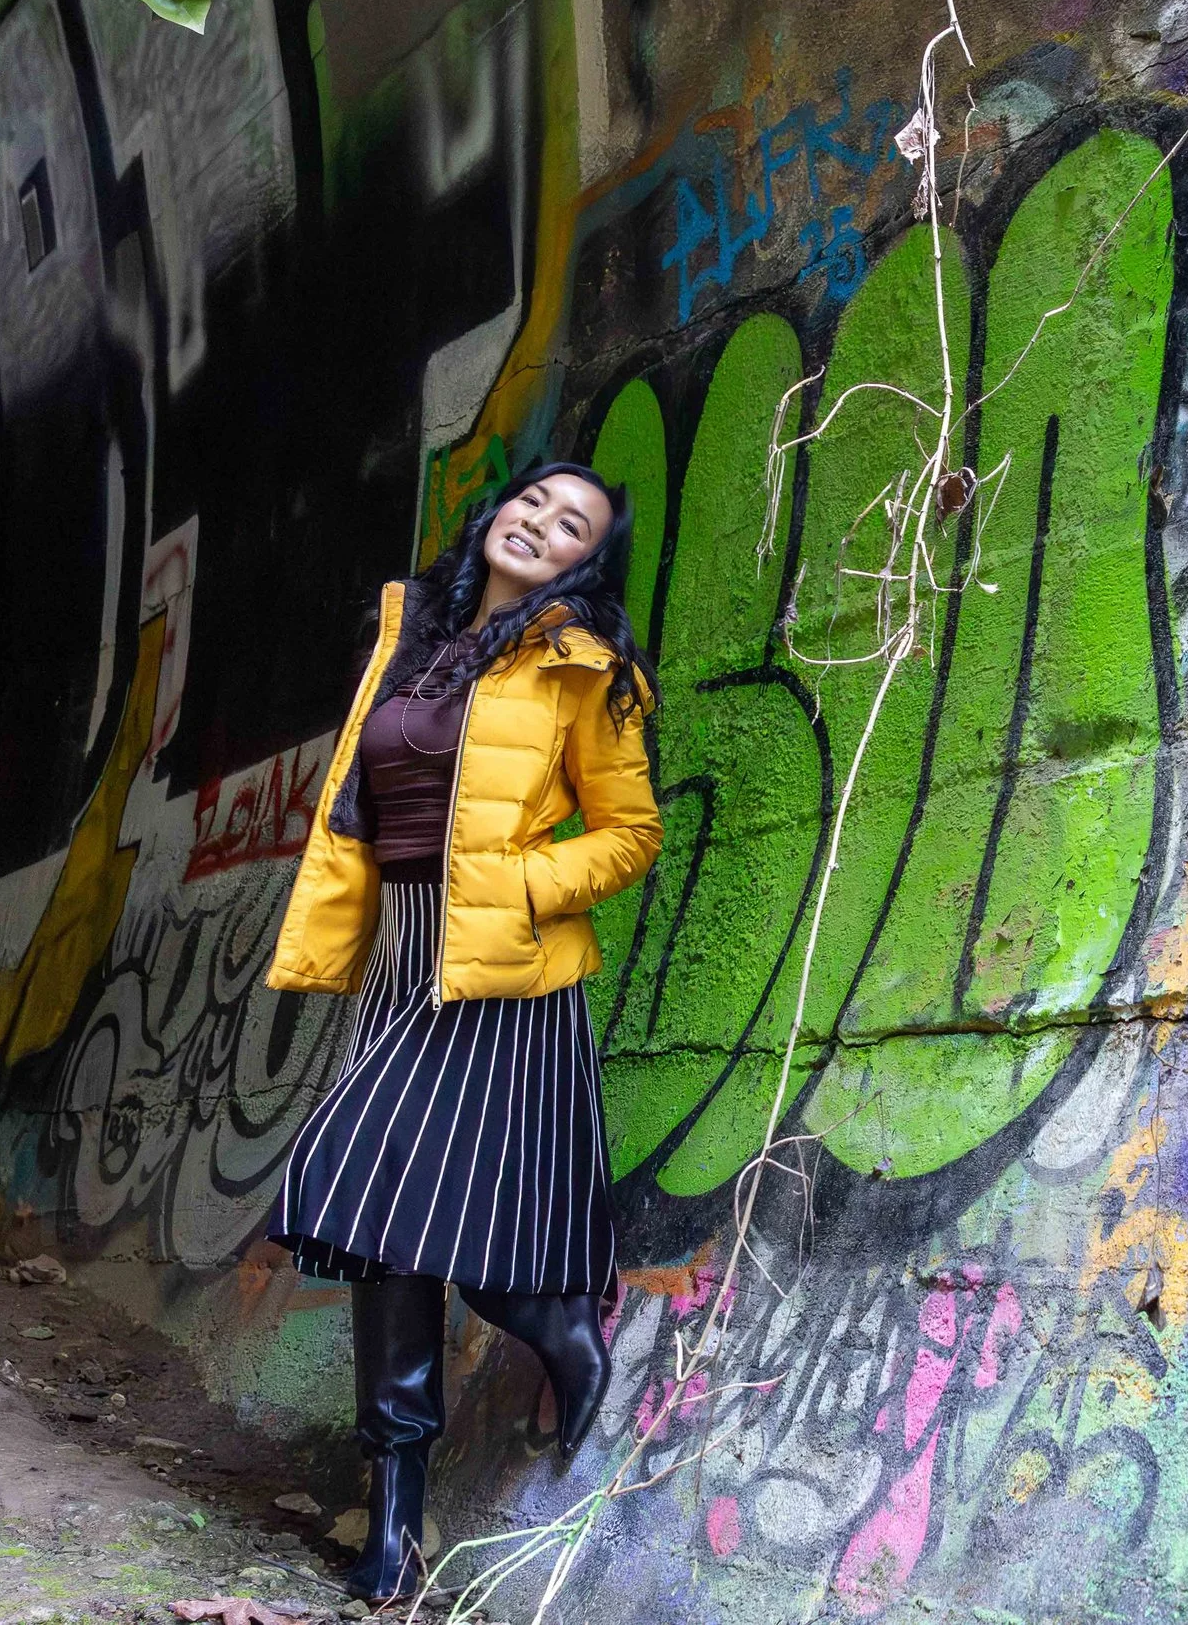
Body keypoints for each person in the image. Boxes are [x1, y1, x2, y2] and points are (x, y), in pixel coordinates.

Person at [263, 461, 661, 1603]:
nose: (541, 523)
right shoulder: (414, 634)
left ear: (585, 560)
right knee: (390, 1235)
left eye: (571, 524)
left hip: (503, 968)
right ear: (497, 513)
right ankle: (395, 1519)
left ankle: (552, 1319)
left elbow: (630, 833)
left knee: (353, 1174)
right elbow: (363, 806)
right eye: (533, 501)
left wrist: (522, 884)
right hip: (401, 953)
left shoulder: (586, 668)